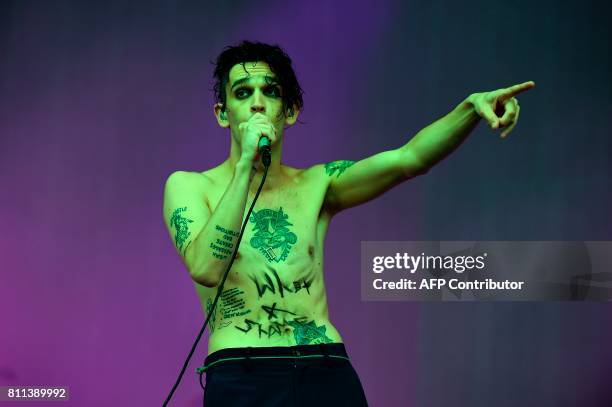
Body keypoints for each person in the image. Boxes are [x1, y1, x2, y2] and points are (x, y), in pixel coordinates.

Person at [162, 40, 534, 406]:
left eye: (270, 91)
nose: (257, 103)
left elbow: (409, 158)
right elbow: (206, 267)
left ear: (289, 111)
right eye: (243, 93)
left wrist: (470, 108)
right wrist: (245, 165)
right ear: (223, 113)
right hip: (243, 372)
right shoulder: (190, 186)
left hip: (325, 367)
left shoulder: (318, 183)